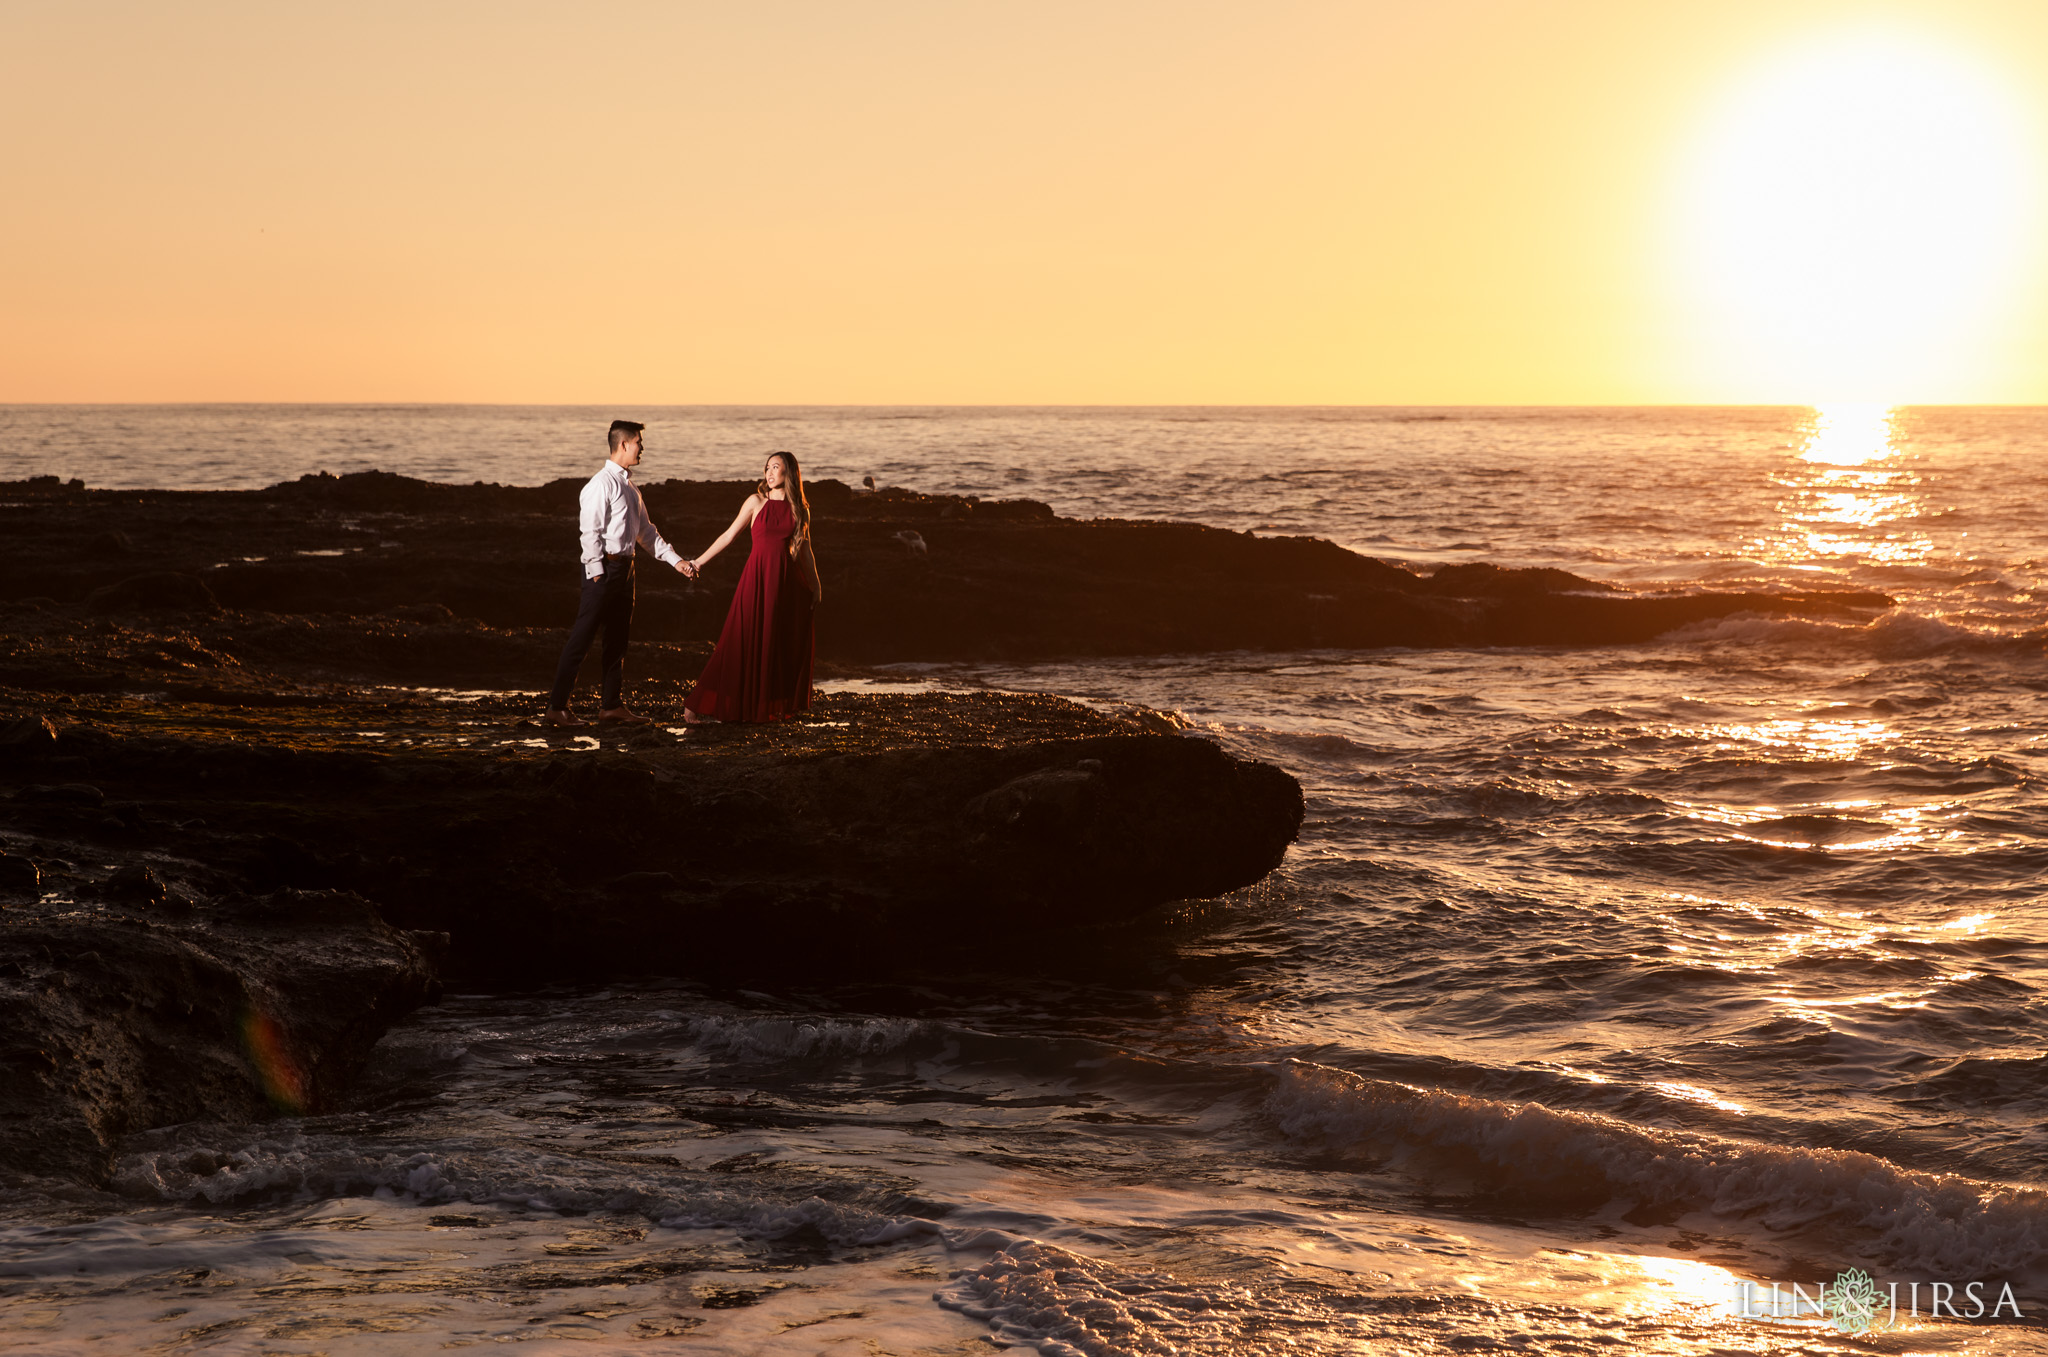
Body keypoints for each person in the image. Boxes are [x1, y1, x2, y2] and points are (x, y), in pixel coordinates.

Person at [545, 420, 695, 728]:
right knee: (582, 640)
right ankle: (557, 708)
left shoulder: (630, 487)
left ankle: (611, 707)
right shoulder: (600, 484)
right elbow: (589, 532)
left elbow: (647, 534)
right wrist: (597, 572)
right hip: (604, 570)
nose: (643, 447)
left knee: (617, 641)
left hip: (626, 570)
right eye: (639, 442)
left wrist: (677, 561)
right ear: (623, 444)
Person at [681, 451, 821, 723]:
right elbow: (728, 535)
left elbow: (805, 551)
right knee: (736, 643)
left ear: (789, 473)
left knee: (776, 644)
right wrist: (697, 562)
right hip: (756, 580)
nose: (769, 473)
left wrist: (816, 585)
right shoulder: (755, 502)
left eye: (776, 467)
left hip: (785, 585)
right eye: (767, 467)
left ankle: (768, 708)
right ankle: (694, 705)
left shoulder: (798, 509)